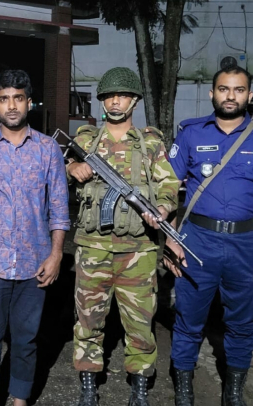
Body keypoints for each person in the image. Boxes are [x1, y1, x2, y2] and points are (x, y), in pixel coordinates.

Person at [165, 66, 253, 406]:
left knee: (241, 323)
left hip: (247, 246)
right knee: (188, 319)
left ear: (249, 96)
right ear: (212, 93)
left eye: (238, 90)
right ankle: (183, 389)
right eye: (223, 89)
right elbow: (166, 190)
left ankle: (234, 392)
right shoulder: (191, 134)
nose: (230, 96)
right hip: (198, 241)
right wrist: (170, 237)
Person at [66, 67, 179, 406]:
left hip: (139, 251)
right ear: (102, 101)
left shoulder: (150, 143)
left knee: (140, 322)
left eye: (123, 95)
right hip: (92, 249)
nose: (116, 101)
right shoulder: (86, 140)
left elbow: (169, 184)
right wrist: (72, 168)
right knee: (88, 320)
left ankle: (140, 387)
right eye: (110, 95)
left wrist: (161, 210)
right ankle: (88, 385)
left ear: (134, 101)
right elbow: (59, 169)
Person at [0, 70, 70, 406]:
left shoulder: (48, 149)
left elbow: (59, 207)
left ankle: (20, 398)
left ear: (29, 102)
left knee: (26, 339)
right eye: (4, 99)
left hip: (34, 263)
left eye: (18, 98)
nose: (12, 105)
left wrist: (56, 254)